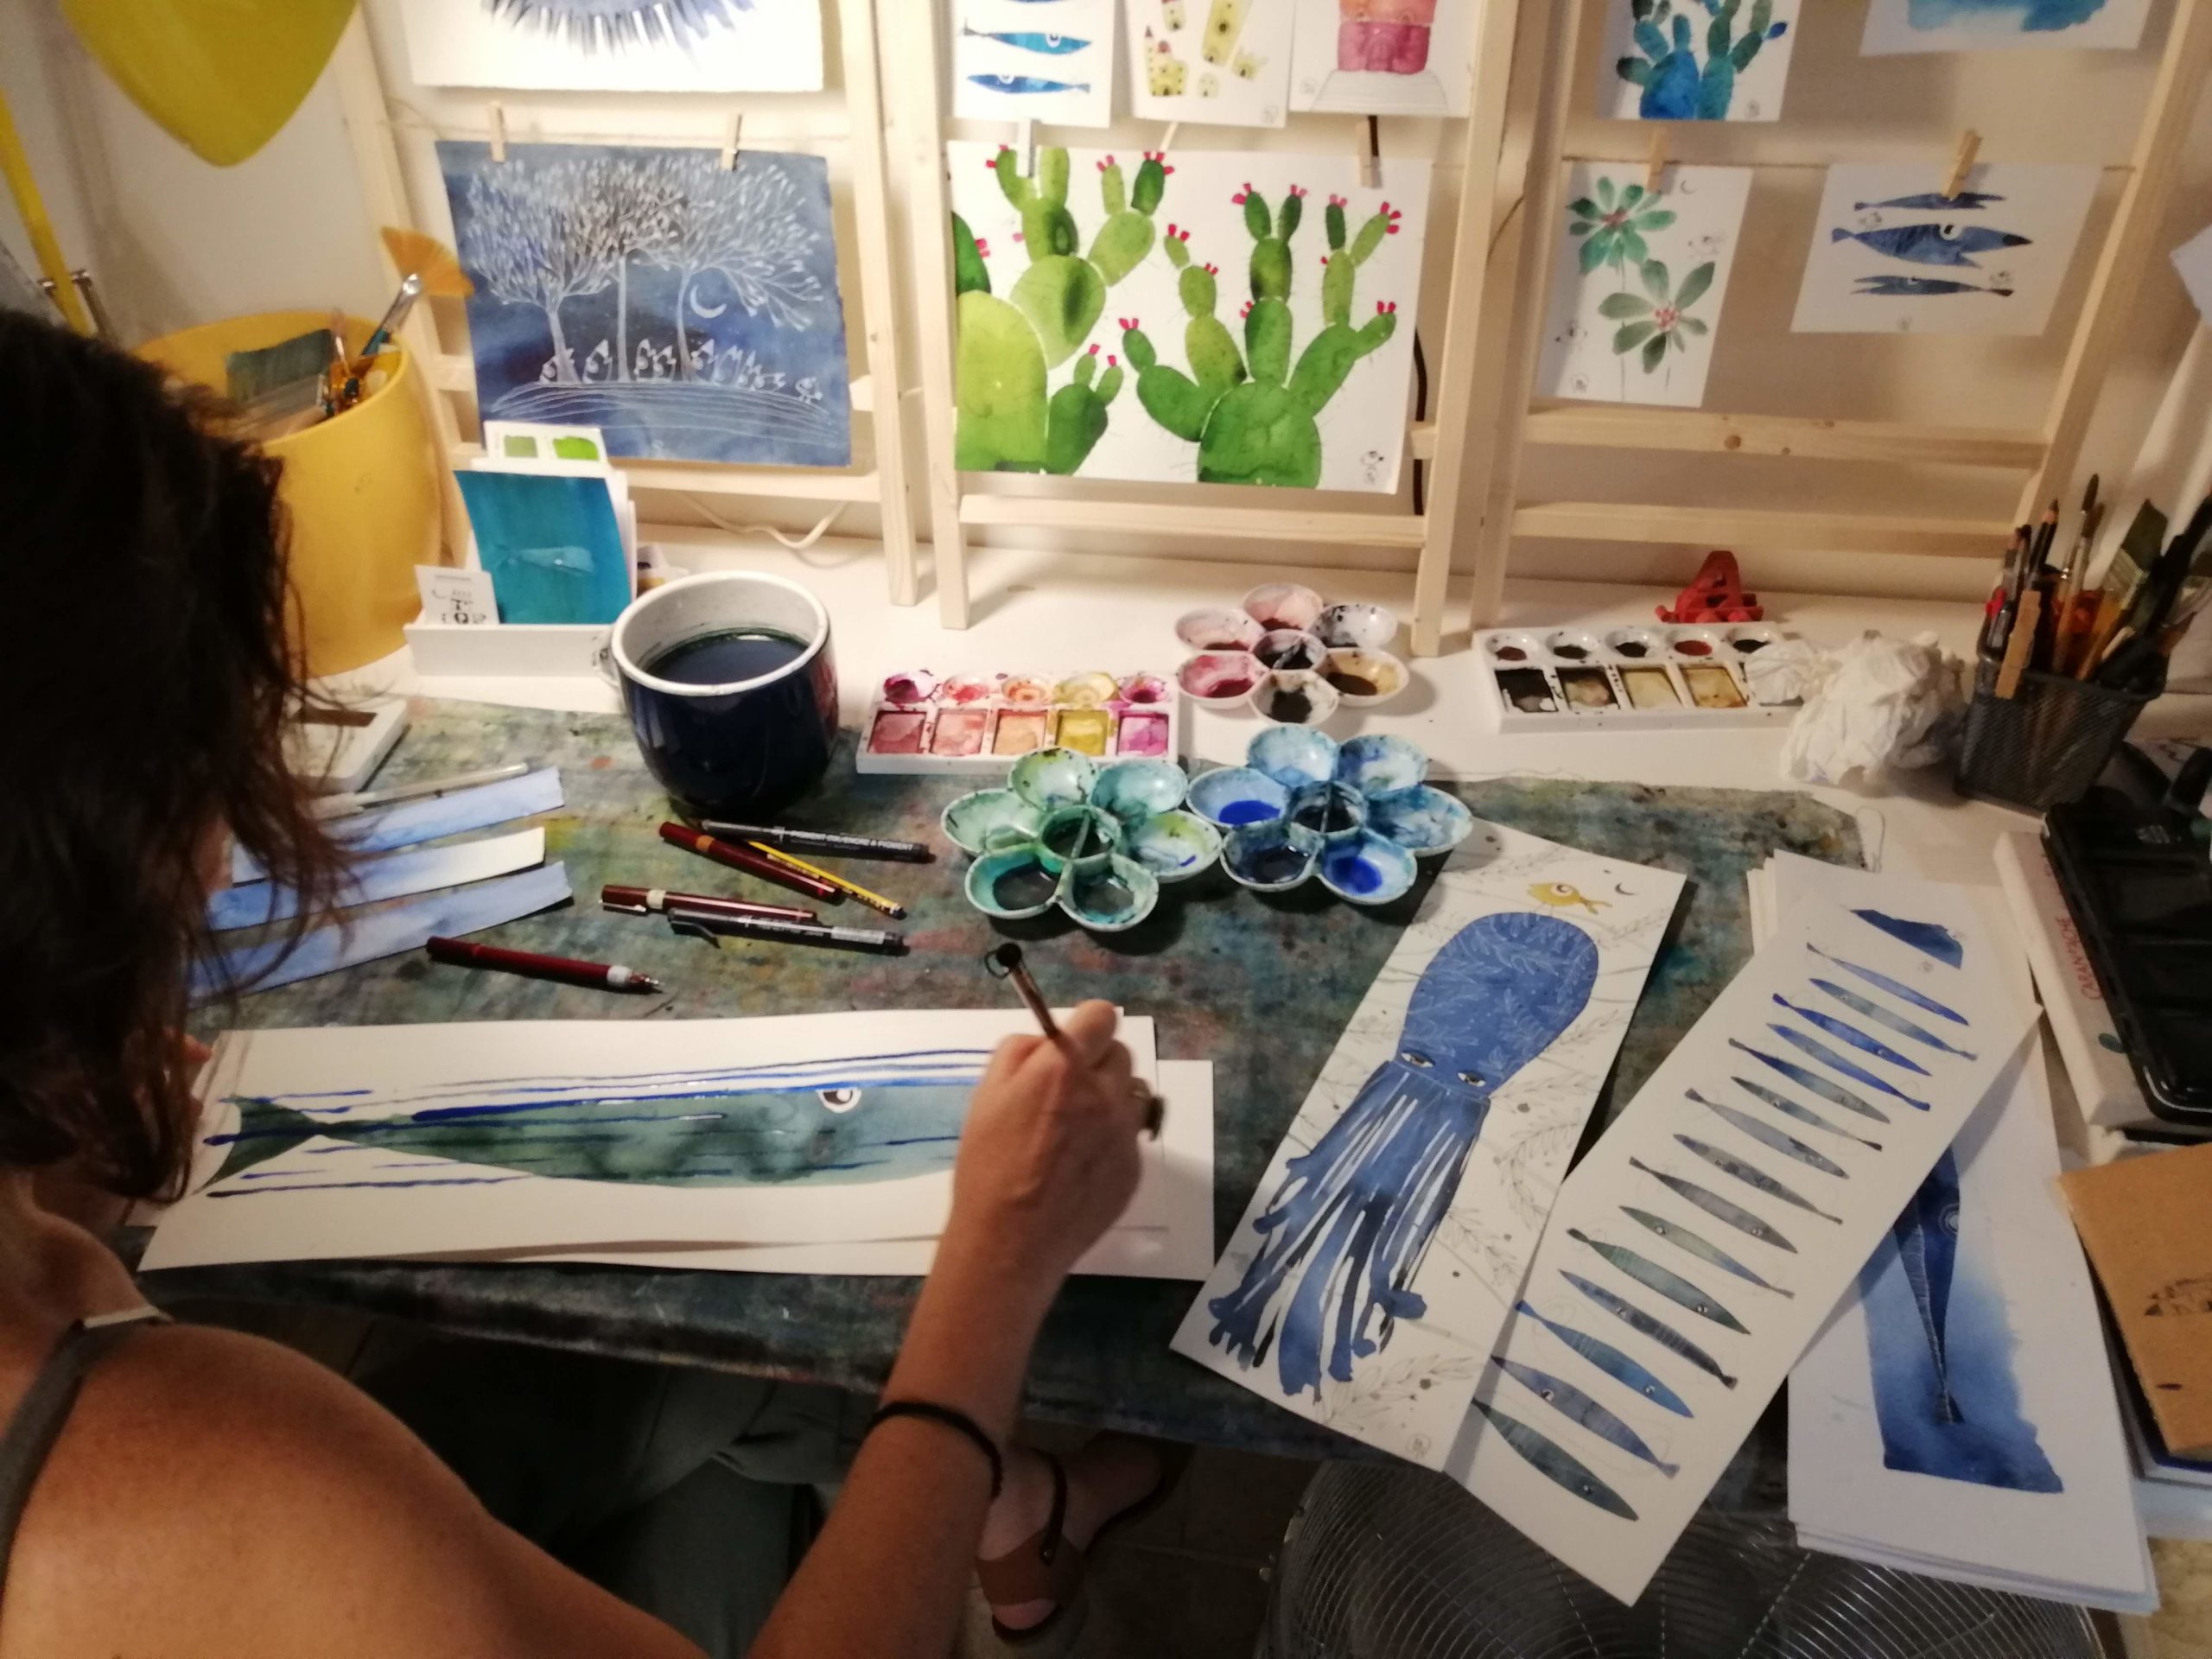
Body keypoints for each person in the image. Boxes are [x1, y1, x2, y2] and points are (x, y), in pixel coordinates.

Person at [0, 309, 1168, 1656]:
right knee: (808, 1415)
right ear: (104, 841)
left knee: (748, 1402)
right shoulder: (215, 1473)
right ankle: (1020, 1523)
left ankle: (1017, 1508)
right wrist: (996, 1269)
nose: (235, 846)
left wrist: (49, 1177)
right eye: (237, 754)